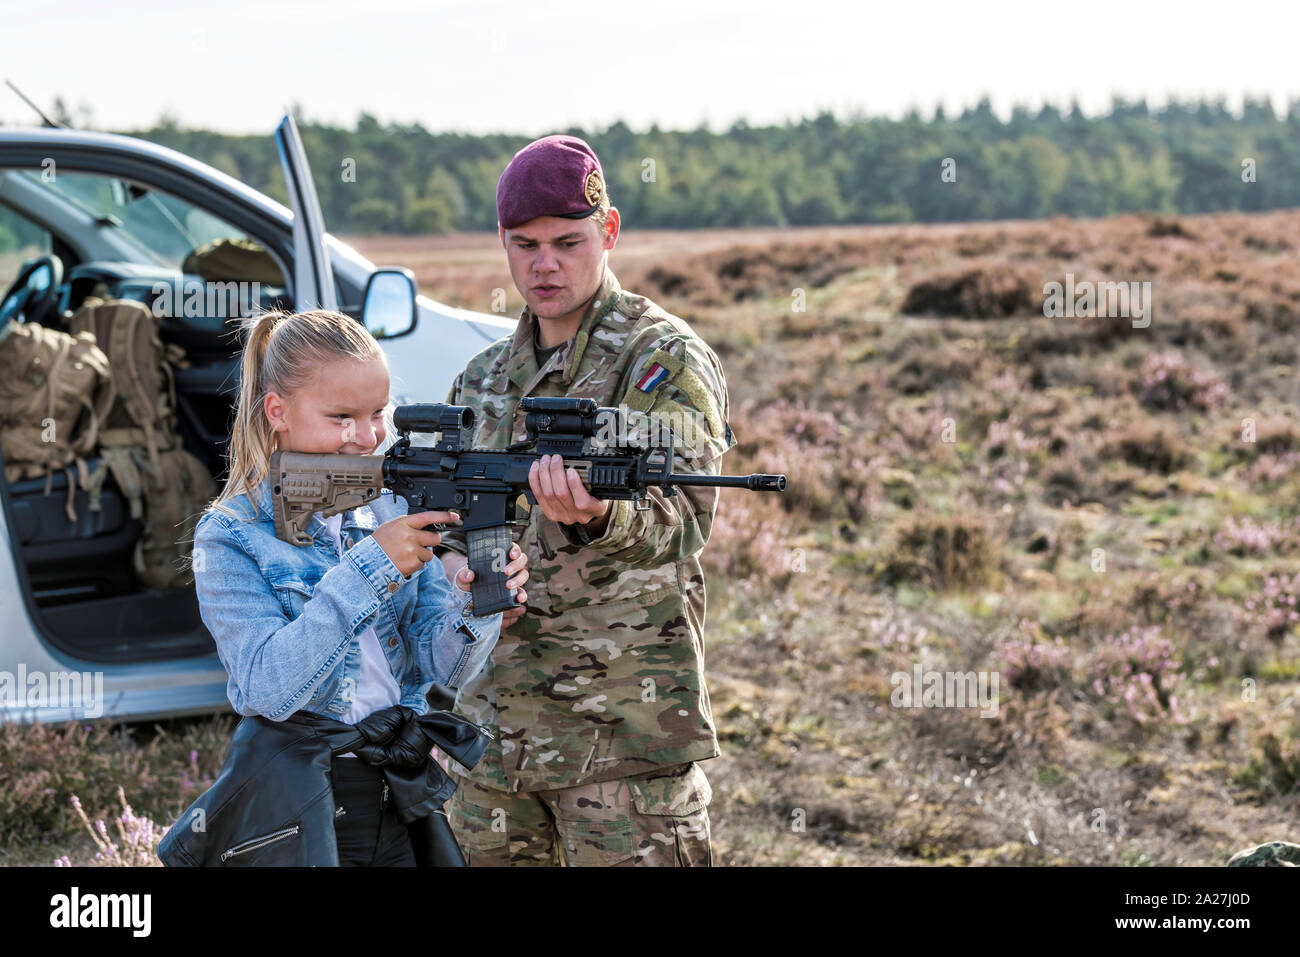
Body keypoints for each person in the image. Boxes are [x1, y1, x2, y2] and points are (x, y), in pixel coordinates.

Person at [432, 134, 737, 866]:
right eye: (524, 244)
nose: (544, 265)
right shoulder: (482, 378)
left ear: (609, 231)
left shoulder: (661, 359)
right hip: (492, 743)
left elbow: (685, 518)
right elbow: (448, 514)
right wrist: (454, 565)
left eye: (567, 242)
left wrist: (602, 514)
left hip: (620, 733)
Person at [190, 308, 529, 866]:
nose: (369, 436)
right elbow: (268, 689)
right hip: (303, 795)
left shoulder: (384, 508)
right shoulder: (231, 537)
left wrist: (477, 603)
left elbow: (442, 669)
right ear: (278, 410)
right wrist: (370, 568)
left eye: (378, 413)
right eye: (342, 416)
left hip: (397, 779)